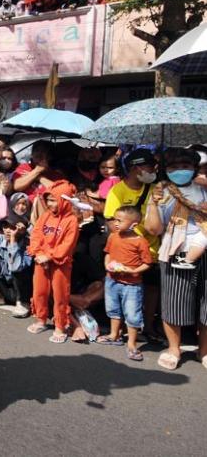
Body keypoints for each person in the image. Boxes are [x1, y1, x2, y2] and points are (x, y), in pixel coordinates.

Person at [144, 148, 207, 370]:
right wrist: (153, 204)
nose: (180, 170)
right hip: (174, 250)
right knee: (174, 302)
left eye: (185, 166)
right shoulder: (161, 192)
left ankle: (204, 350)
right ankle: (173, 348)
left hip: (205, 247)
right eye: (173, 167)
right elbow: (154, 229)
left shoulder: (203, 188)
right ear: (166, 170)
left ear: (194, 168)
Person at [104, 148, 163, 342]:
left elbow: (159, 225)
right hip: (126, 253)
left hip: (152, 251)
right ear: (136, 168)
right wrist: (133, 236)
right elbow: (112, 223)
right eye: (150, 166)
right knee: (123, 290)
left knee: (151, 289)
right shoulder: (117, 191)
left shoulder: (156, 189)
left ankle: (148, 326)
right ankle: (119, 329)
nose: (154, 169)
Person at [27, 180, 81, 343]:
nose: (50, 204)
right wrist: (37, 253)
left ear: (64, 200)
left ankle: (60, 326)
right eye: (48, 200)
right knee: (39, 291)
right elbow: (36, 235)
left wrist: (49, 256)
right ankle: (41, 319)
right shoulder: (45, 216)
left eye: (54, 200)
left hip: (60, 263)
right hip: (41, 260)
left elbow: (68, 244)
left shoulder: (71, 220)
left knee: (60, 295)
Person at [96, 206, 152, 361]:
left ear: (134, 224)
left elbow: (147, 263)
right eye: (115, 219)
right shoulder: (113, 236)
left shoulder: (140, 242)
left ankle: (132, 344)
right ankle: (114, 335)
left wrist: (133, 271)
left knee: (132, 314)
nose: (115, 223)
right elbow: (108, 253)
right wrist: (107, 264)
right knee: (113, 309)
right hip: (112, 280)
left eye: (120, 221)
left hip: (131, 285)